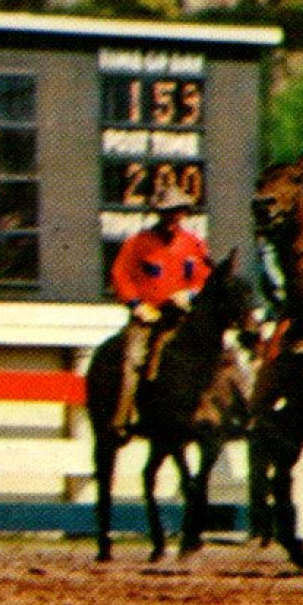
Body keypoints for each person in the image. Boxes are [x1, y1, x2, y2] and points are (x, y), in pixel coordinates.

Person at [109, 183, 213, 438]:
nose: (172, 217)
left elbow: (206, 277)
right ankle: (125, 416)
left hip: (182, 317)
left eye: (177, 211)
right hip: (150, 317)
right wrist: (137, 305)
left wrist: (189, 294)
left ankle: (228, 410)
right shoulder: (137, 243)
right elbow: (120, 275)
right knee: (133, 358)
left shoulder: (194, 245)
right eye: (167, 212)